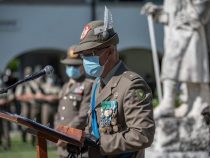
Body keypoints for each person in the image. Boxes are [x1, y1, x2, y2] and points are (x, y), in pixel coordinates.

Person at [72, 18, 155, 157]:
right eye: (83, 55)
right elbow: (93, 127)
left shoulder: (131, 85)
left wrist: (99, 144)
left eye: (90, 54)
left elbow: (143, 134)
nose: (85, 60)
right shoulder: (97, 84)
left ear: (110, 51)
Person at [142, 0, 210, 118]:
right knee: (171, 66)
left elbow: (202, 4)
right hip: (174, 34)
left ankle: (195, 102)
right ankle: (172, 102)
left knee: (191, 69)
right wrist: (158, 12)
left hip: (190, 31)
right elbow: (171, 13)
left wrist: (192, 16)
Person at [55, 46, 93, 158]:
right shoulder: (65, 86)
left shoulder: (88, 85)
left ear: (82, 65)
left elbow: (83, 116)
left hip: (77, 143)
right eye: (69, 65)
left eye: (75, 65)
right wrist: (57, 132)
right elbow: (59, 113)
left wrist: (65, 134)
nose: (71, 68)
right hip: (62, 141)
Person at [0, 74, 14, 150]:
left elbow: (12, 97)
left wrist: (5, 101)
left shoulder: (6, 87)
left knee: (6, 128)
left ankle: (7, 145)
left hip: (5, 110)